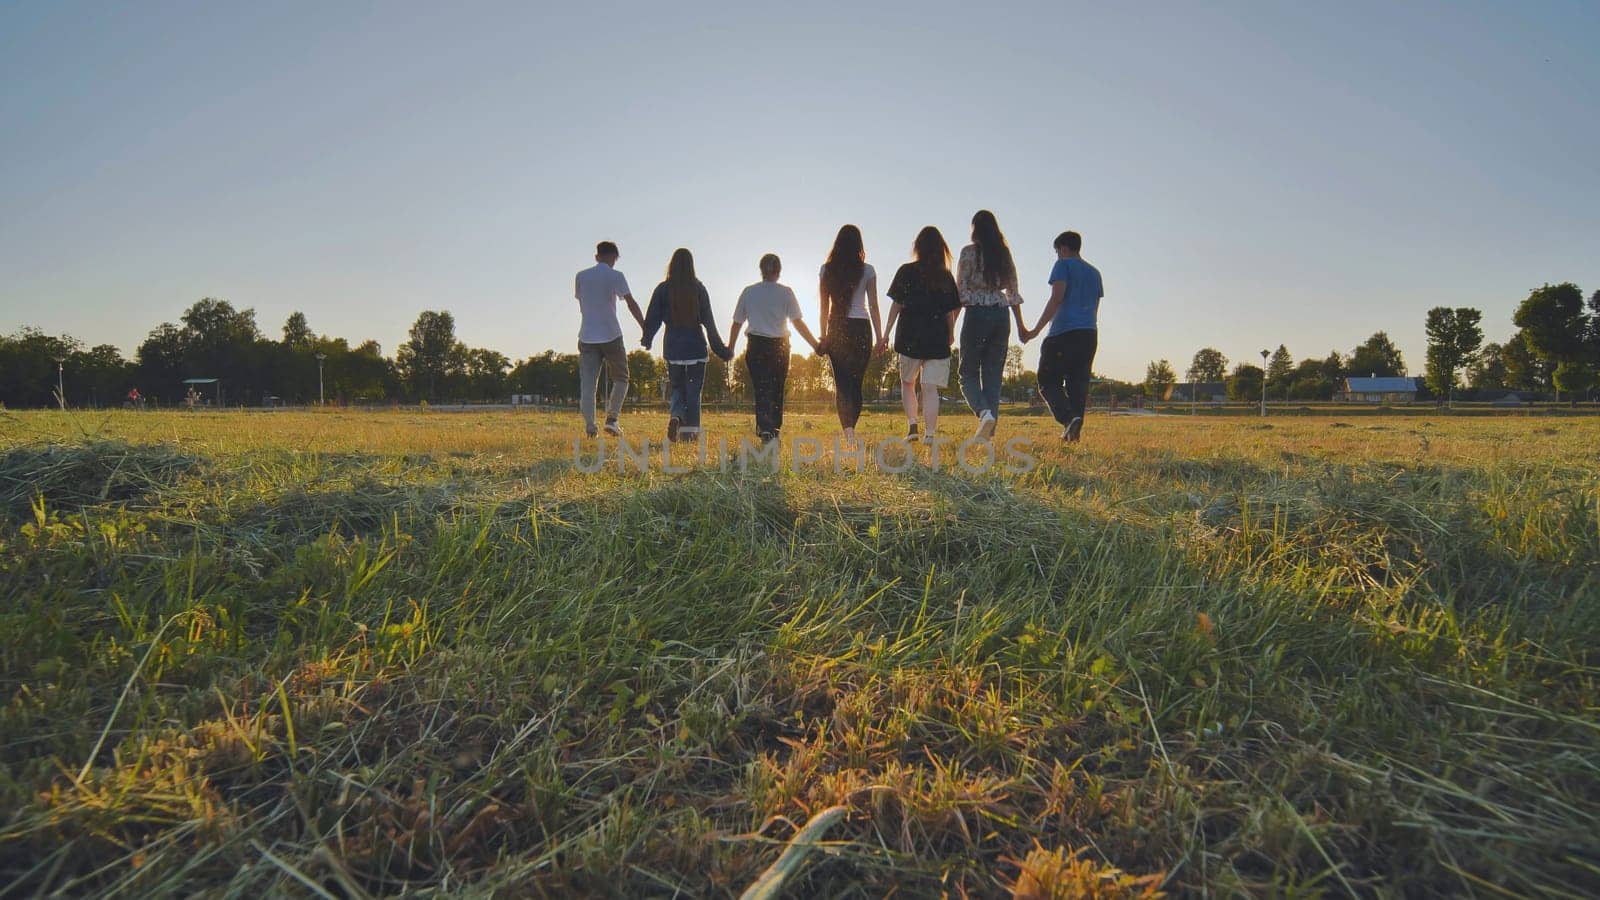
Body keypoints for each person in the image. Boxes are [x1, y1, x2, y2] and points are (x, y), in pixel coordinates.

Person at [727, 253, 819, 443]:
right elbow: (797, 322)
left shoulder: (748, 292)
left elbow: (736, 323)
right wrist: (815, 345)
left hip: (756, 344)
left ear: (761, 270)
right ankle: (774, 428)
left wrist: (730, 347)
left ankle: (765, 428)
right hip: (780, 346)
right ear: (779, 271)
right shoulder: (786, 292)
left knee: (761, 388)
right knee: (777, 389)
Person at [1021, 231, 1104, 442]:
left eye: (1057, 251)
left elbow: (1056, 298)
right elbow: (1095, 307)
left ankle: (1068, 419)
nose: (1057, 255)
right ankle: (1072, 436)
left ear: (1063, 248)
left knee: (1047, 381)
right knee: (1078, 386)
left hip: (1063, 332)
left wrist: (1036, 330)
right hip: (1089, 334)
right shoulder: (1095, 273)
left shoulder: (1063, 265)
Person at [642, 248, 732, 443]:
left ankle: (676, 416)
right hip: (696, 349)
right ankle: (689, 434)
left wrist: (647, 338)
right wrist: (722, 350)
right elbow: (709, 322)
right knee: (693, 394)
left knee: (676, 388)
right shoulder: (698, 289)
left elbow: (653, 318)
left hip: (673, 348)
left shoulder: (662, 289)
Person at [880, 227, 961, 441]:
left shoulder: (906, 271)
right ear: (940, 249)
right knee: (930, 387)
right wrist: (951, 334)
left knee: (908, 383)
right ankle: (931, 434)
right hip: (937, 337)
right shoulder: (945, 276)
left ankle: (913, 426)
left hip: (909, 336)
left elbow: (896, 305)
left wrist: (886, 333)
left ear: (917, 247)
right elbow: (949, 312)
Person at [956, 210, 1027, 439]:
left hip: (976, 314)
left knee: (967, 372)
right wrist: (1021, 326)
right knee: (993, 375)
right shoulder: (1003, 254)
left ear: (974, 229)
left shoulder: (968, 253)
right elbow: (1013, 292)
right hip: (1001, 314)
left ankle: (984, 412)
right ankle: (989, 432)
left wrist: (951, 325)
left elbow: (960, 291)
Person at [817, 225, 882, 445]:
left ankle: (848, 432)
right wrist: (880, 336)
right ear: (859, 245)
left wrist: (823, 336)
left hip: (836, 327)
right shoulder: (868, 270)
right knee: (856, 383)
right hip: (861, 329)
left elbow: (823, 307)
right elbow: (873, 306)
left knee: (842, 384)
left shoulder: (826, 270)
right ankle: (851, 428)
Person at [575, 240, 645, 438]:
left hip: (587, 335)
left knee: (588, 385)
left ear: (597, 256)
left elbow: (582, 303)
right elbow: (631, 303)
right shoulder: (616, 276)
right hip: (611, 334)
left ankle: (590, 428)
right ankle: (612, 420)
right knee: (621, 378)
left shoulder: (581, 276)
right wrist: (645, 328)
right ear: (615, 257)